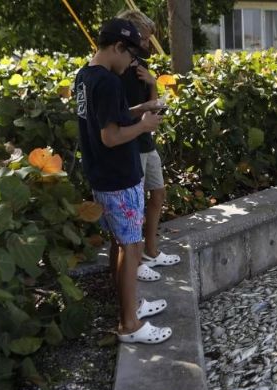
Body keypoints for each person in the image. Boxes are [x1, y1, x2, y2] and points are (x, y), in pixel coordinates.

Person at [74, 18, 171, 344]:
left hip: (101, 175)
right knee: (131, 249)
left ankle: (130, 308)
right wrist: (144, 126)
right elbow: (111, 136)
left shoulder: (86, 76)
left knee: (120, 245)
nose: (133, 62)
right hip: (119, 176)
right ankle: (129, 325)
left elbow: (110, 116)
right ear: (117, 47)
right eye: (131, 54)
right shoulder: (110, 82)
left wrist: (142, 108)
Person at [116, 9, 181, 269]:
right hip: (130, 143)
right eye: (143, 39)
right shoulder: (117, 69)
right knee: (134, 205)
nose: (146, 44)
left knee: (158, 194)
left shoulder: (142, 66)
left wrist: (153, 82)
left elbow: (151, 105)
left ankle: (151, 251)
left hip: (146, 141)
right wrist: (143, 116)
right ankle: (134, 261)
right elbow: (118, 115)